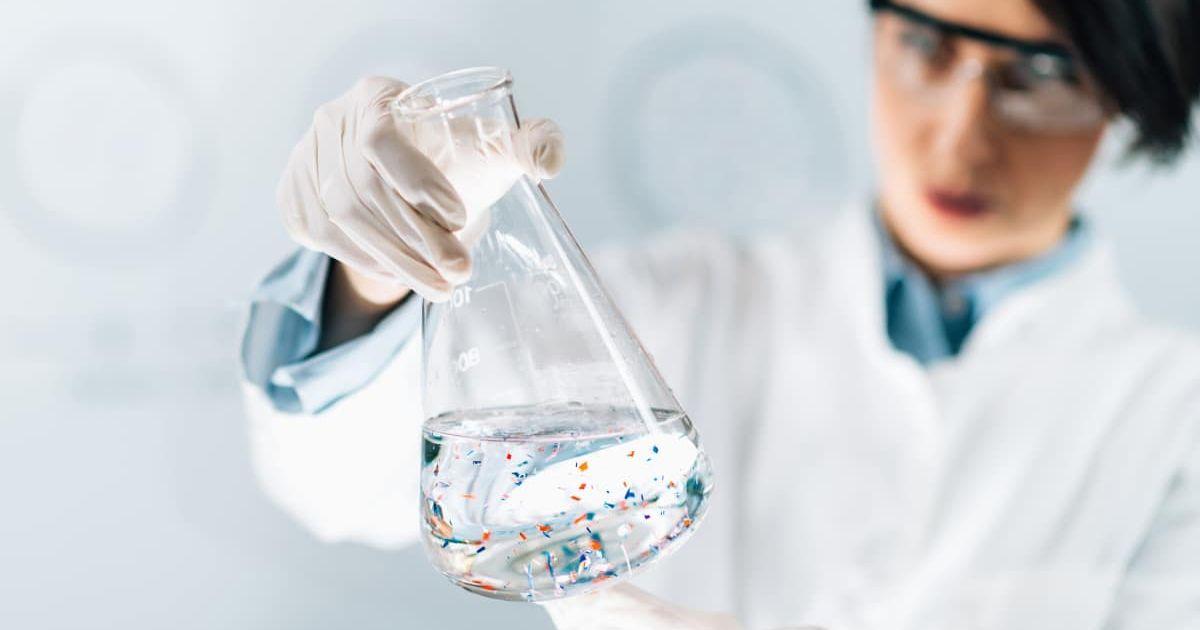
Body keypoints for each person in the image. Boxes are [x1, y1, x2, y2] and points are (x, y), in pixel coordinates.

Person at [240, 0, 1200, 627]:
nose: (961, 133)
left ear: (1128, 95)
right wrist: (373, 271)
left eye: (1037, 75)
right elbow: (333, 485)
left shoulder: (1174, 420)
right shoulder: (677, 300)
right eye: (927, 45)